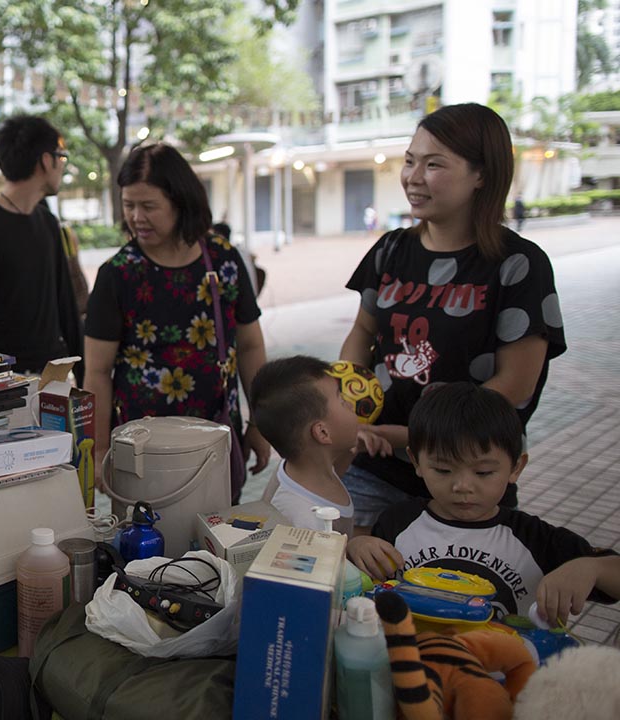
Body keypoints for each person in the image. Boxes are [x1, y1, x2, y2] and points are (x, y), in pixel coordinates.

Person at [339, 103, 566, 532]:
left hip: (467, 478)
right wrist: (350, 406)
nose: (413, 176)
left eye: (434, 164)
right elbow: (362, 331)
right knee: (358, 585)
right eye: (410, 161)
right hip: (375, 468)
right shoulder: (390, 249)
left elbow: (515, 386)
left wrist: (415, 440)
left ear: (481, 174)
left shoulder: (519, 265)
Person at [84, 143, 270, 500]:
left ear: (181, 202)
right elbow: (97, 372)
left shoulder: (223, 261)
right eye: (129, 205)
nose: (137, 217)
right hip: (141, 452)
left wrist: (260, 423)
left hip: (215, 439)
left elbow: (250, 345)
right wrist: (100, 449)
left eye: (148, 206)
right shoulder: (117, 274)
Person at [347, 383, 619, 624]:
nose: (462, 486)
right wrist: (357, 547)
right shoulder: (397, 521)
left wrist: (590, 568)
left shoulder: (533, 538)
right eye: (443, 470)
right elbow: (362, 584)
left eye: (483, 473)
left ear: (516, 467)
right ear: (417, 462)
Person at [0, 114, 83, 380]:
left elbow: (66, 306)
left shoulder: (47, 222)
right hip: (4, 381)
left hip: (53, 375)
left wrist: (84, 376)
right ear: (46, 160)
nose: (62, 166)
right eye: (61, 158)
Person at [250, 356, 390, 535]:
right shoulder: (303, 522)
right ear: (323, 433)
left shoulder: (306, 467)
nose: (349, 403)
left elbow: (331, 471)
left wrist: (351, 448)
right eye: (341, 400)